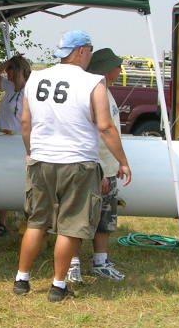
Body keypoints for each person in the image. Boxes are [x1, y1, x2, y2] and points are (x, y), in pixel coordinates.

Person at [12, 30, 131, 302]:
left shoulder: (36, 78)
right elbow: (105, 126)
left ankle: (22, 279)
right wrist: (122, 161)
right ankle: (58, 285)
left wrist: (32, 154)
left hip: (42, 161)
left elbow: (26, 123)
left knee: (37, 222)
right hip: (77, 162)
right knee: (71, 226)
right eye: (89, 50)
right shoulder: (93, 82)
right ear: (81, 51)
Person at [67, 48, 128, 283]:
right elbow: (92, 135)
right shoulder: (92, 93)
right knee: (80, 220)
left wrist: (115, 165)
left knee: (105, 220)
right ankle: (73, 264)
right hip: (94, 168)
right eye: (116, 66)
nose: (119, 70)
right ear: (104, 69)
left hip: (107, 169)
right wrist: (99, 169)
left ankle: (100, 263)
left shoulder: (105, 92)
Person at [0, 54, 32, 236]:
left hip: (22, 141)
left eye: (11, 71)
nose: (8, 75)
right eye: (8, 72)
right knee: (2, 178)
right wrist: (8, 61)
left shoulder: (31, 90)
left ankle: (28, 220)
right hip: (3, 139)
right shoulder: (9, 86)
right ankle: (2, 221)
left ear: (20, 71)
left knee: (25, 180)